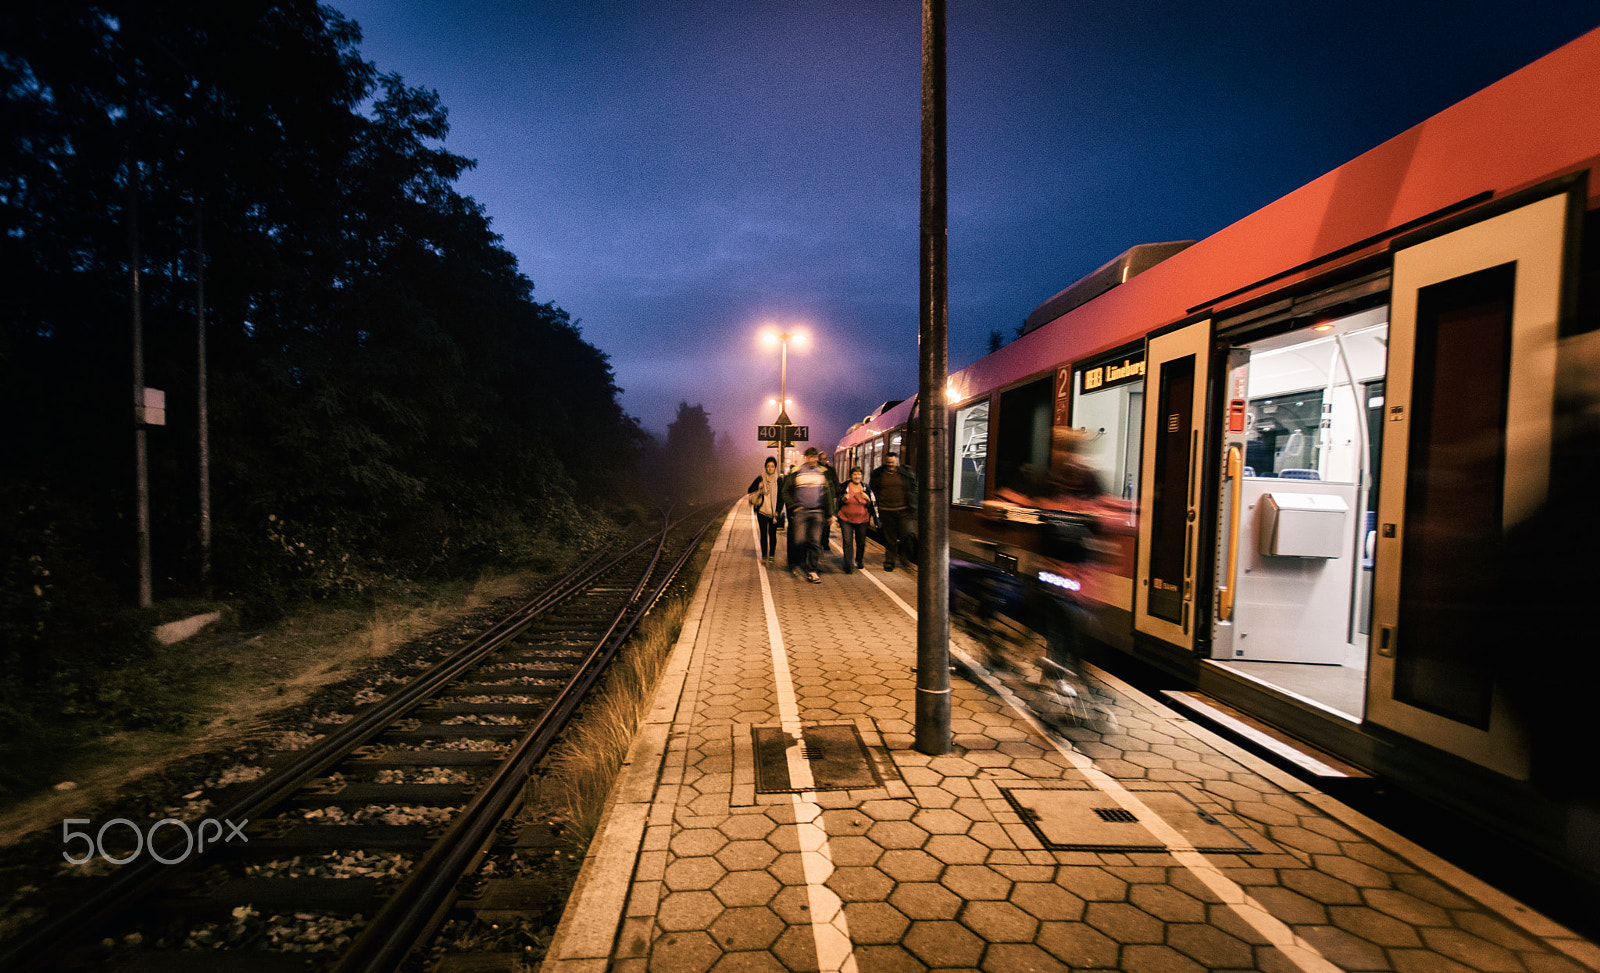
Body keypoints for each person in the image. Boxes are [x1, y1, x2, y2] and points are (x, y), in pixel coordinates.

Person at [780, 448, 837, 583]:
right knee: (799, 540)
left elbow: (829, 493)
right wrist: (793, 506)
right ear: (805, 457)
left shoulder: (822, 473)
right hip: (801, 511)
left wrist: (830, 513)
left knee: (815, 542)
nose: (812, 460)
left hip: (818, 512)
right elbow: (785, 491)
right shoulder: (797, 472)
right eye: (810, 457)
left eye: (814, 457)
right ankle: (799, 563)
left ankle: (812, 570)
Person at [870, 451, 917, 571]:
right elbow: (873, 490)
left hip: (904, 511)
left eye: (892, 462)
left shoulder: (906, 473)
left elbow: (913, 488)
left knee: (907, 534)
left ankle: (904, 557)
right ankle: (890, 561)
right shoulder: (878, 474)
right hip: (886, 511)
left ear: (897, 462)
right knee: (890, 539)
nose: (890, 465)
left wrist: (914, 504)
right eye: (888, 463)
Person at [836, 467, 876, 573]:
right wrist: (842, 499)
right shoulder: (844, 487)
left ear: (861, 476)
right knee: (847, 542)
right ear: (851, 476)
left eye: (859, 474)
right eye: (854, 474)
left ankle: (859, 560)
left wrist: (867, 499)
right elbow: (837, 500)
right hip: (845, 518)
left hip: (862, 519)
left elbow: (872, 504)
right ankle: (848, 566)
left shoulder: (866, 488)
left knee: (861, 542)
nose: (857, 476)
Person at [747, 457, 782, 562]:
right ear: (765, 467)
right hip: (762, 511)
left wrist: (778, 511)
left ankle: (772, 555)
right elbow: (749, 490)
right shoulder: (760, 478)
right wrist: (758, 487)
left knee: (772, 534)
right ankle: (764, 554)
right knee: (763, 534)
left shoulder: (779, 480)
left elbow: (781, 497)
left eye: (772, 466)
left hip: (773, 512)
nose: (770, 468)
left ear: (775, 467)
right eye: (768, 466)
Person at [817, 453, 841, 559]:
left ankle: (825, 542)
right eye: (821, 459)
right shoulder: (816, 470)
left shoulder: (830, 471)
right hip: (818, 500)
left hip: (827, 500)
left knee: (827, 523)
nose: (823, 461)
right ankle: (820, 542)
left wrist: (835, 495)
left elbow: (835, 484)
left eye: (824, 459)